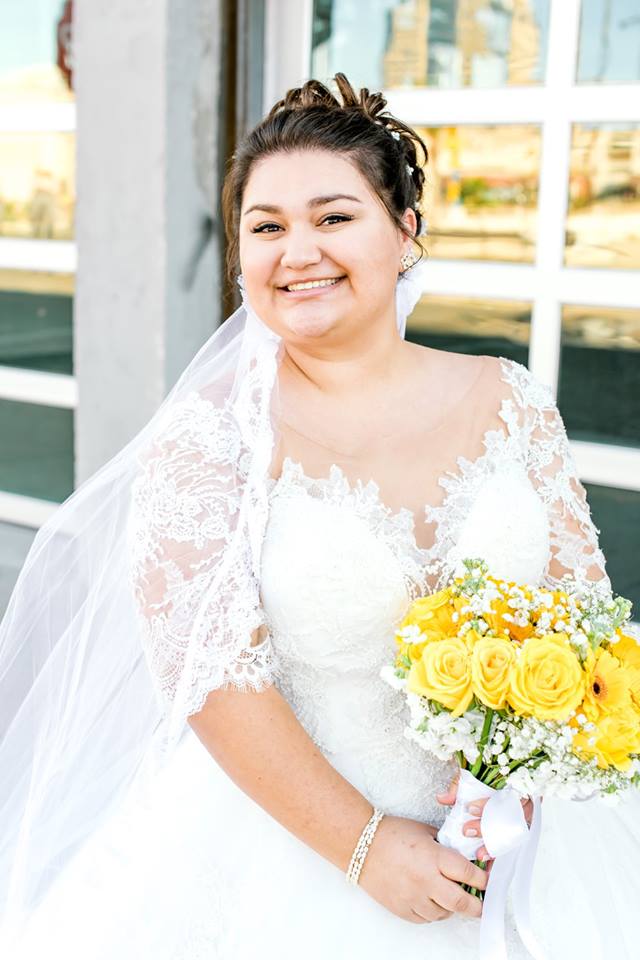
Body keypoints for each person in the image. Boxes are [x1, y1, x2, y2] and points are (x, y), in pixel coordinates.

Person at [1, 73, 638, 959]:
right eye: (266, 228)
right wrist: (365, 848)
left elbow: (586, 626)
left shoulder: (512, 399)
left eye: (334, 217)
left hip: (527, 845)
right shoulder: (210, 436)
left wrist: (530, 779)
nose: (298, 251)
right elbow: (210, 677)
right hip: (290, 854)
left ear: (405, 232)